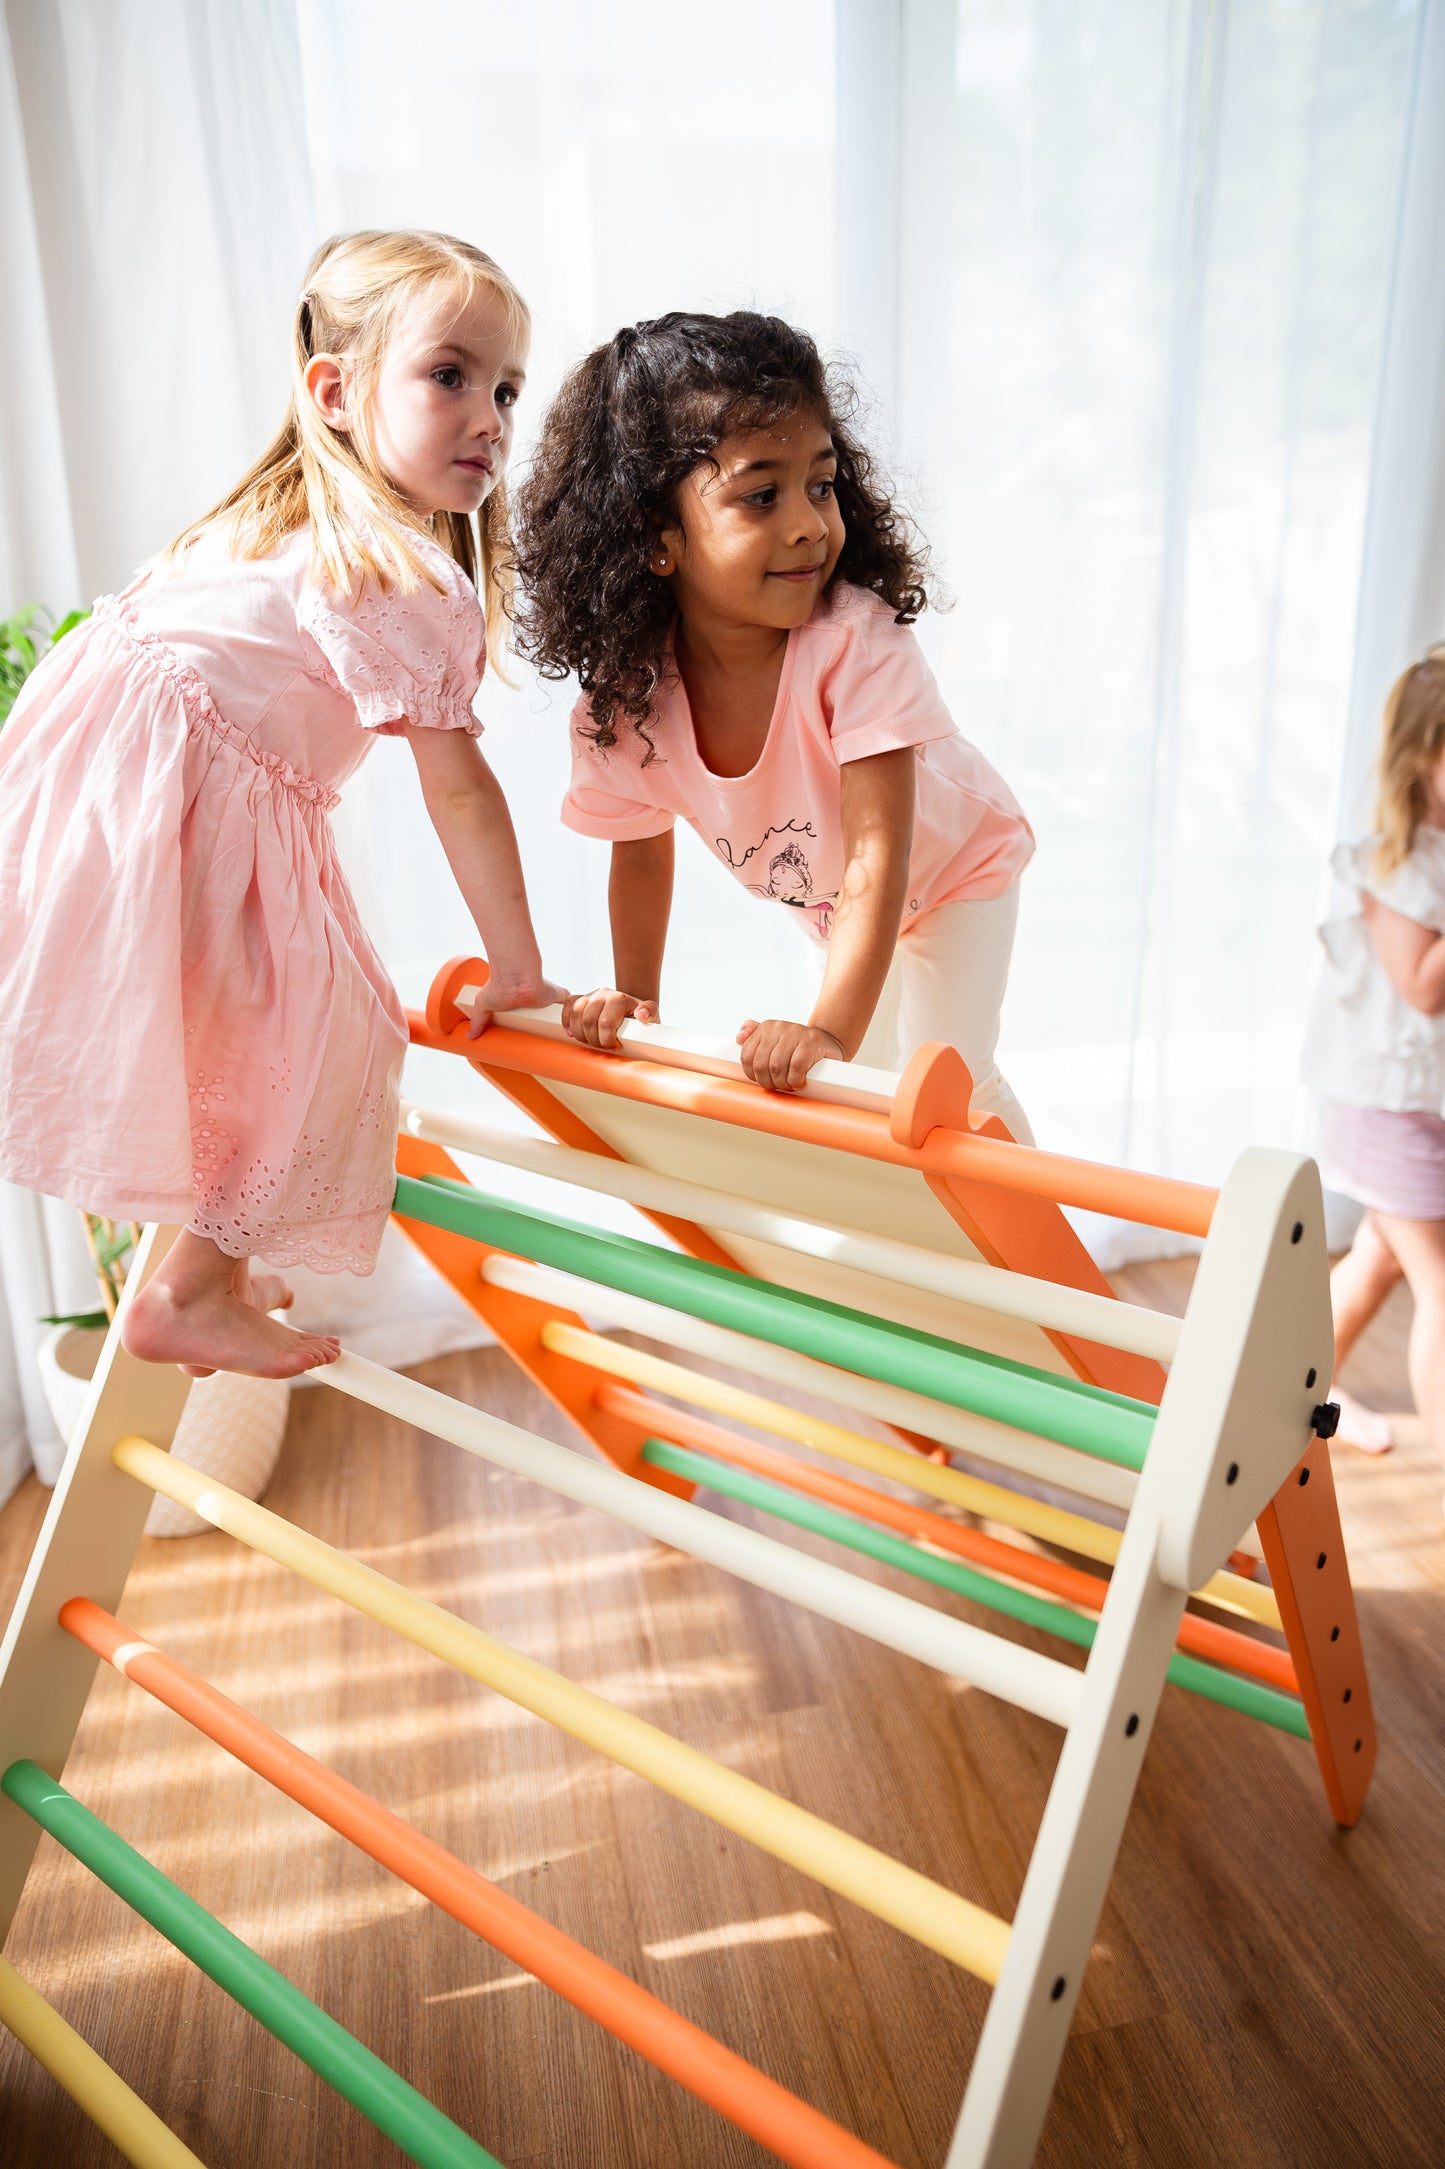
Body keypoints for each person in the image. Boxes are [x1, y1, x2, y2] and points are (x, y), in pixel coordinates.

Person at [0, 229, 563, 1381]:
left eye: (507, 388)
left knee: (246, 1037)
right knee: (334, 1036)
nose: (491, 416)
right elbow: (458, 790)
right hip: (171, 803)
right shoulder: (401, 570)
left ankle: (214, 1261)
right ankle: (194, 1289)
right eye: (448, 375)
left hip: (97, 792)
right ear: (336, 390)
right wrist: (517, 970)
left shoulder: (270, 517)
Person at [513, 312, 1035, 1128]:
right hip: (838, 904)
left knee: (944, 1094)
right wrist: (635, 1001)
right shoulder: (630, 703)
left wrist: (827, 1028)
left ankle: (1031, 1256)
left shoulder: (852, 645)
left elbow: (878, 852)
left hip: (951, 876)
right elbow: (642, 859)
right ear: (658, 540)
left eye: (820, 486)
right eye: (762, 495)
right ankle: (878, 1251)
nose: (809, 524)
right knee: (849, 1098)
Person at [1302, 646, 1445, 1479]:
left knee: (1381, 1260)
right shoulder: (1395, 865)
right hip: (1379, 1106)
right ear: (1417, 762)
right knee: (1438, 1284)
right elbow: (1420, 987)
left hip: (1415, 1100)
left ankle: (1297, 1388)